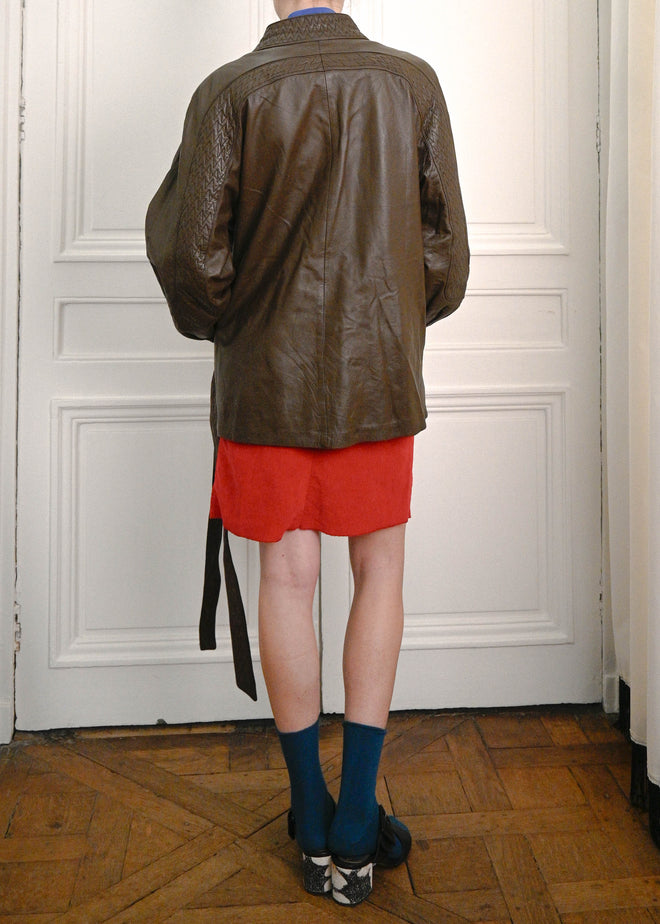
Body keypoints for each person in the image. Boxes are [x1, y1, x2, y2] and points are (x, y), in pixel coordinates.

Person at [145, 0, 468, 906]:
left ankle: (312, 814)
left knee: (286, 582)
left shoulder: (229, 92)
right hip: (377, 378)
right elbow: (444, 255)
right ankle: (359, 821)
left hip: (268, 386)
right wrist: (391, 321)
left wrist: (240, 328)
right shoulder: (410, 85)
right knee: (381, 575)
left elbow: (192, 260)